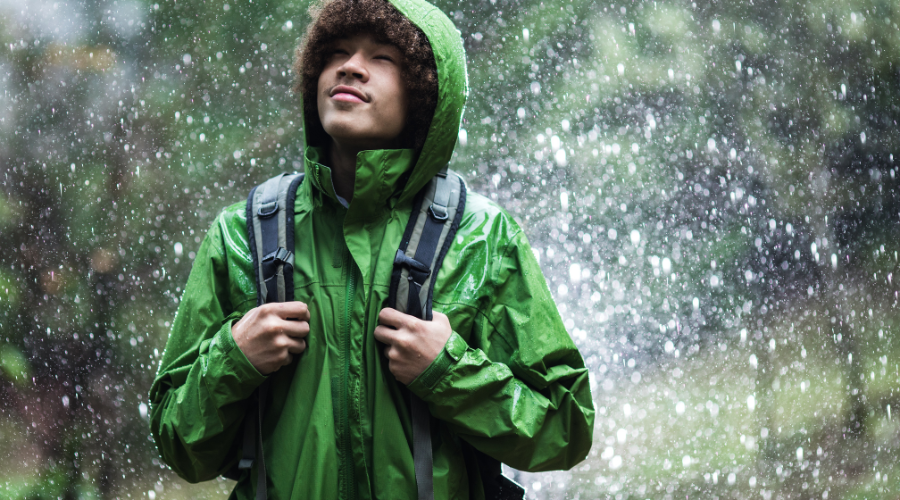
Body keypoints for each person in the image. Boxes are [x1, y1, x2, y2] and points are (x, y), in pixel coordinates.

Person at [148, 0, 595, 498]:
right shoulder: (242, 235)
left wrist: (447, 371)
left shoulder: (483, 238)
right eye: (335, 51)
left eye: (383, 57)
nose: (350, 66)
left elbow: (565, 430)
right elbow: (177, 443)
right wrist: (235, 358)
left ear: (426, 93)